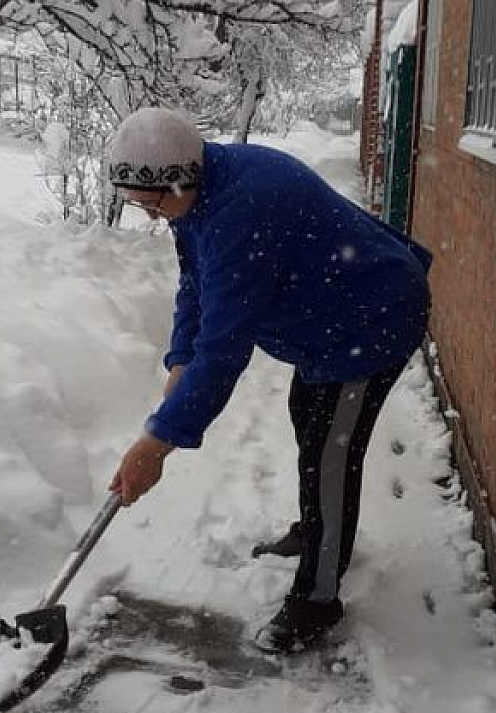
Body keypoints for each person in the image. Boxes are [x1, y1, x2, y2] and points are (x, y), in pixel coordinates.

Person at [105, 107, 431, 653]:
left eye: (152, 202)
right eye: (138, 203)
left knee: (331, 452)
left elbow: (226, 349)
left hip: (370, 319)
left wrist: (158, 443)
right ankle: (317, 531)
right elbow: (195, 283)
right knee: (311, 423)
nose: (150, 215)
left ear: (182, 177)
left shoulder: (242, 207)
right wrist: (179, 357)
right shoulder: (195, 192)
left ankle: (317, 602)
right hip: (327, 320)